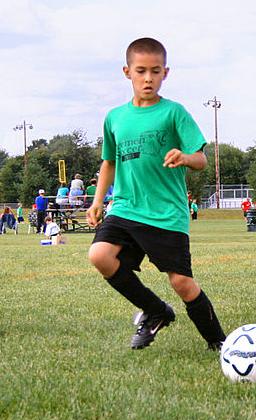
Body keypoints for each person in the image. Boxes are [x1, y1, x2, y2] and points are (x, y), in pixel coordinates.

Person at [86, 37, 226, 351]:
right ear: (127, 72)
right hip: (125, 207)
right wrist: (98, 201)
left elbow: (201, 159)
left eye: (155, 71)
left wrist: (185, 157)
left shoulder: (174, 113)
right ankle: (155, 310)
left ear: (166, 73)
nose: (148, 78)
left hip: (165, 212)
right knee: (99, 255)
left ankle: (218, 342)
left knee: (181, 282)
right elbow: (109, 162)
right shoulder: (115, 117)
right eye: (141, 71)